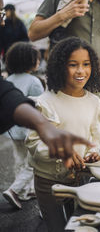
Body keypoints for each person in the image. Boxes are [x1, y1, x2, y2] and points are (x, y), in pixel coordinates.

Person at [25, 36, 100, 231]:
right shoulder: (45, 102)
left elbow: (93, 139)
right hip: (48, 182)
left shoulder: (94, 103)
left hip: (81, 179)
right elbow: (33, 144)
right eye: (73, 65)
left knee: (80, 225)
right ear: (59, 67)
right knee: (56, 227)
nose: (81, 71)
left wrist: (93, 153)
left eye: (86, 64)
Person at [0, 0, 93, 161]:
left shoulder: (95, 103)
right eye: (0, 14)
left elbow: (5, 95)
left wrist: (42, 124)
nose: (3, 23)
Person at [2, 42, 44, 209]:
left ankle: (25, 191)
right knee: (34, 162)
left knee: (19, 159)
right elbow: (41, 105)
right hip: (28, 130)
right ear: (31, 62)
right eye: (37, 59)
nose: (39, 62)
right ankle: (14, 190)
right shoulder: (34, 81)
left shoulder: (8, 80)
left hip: (12, 130)